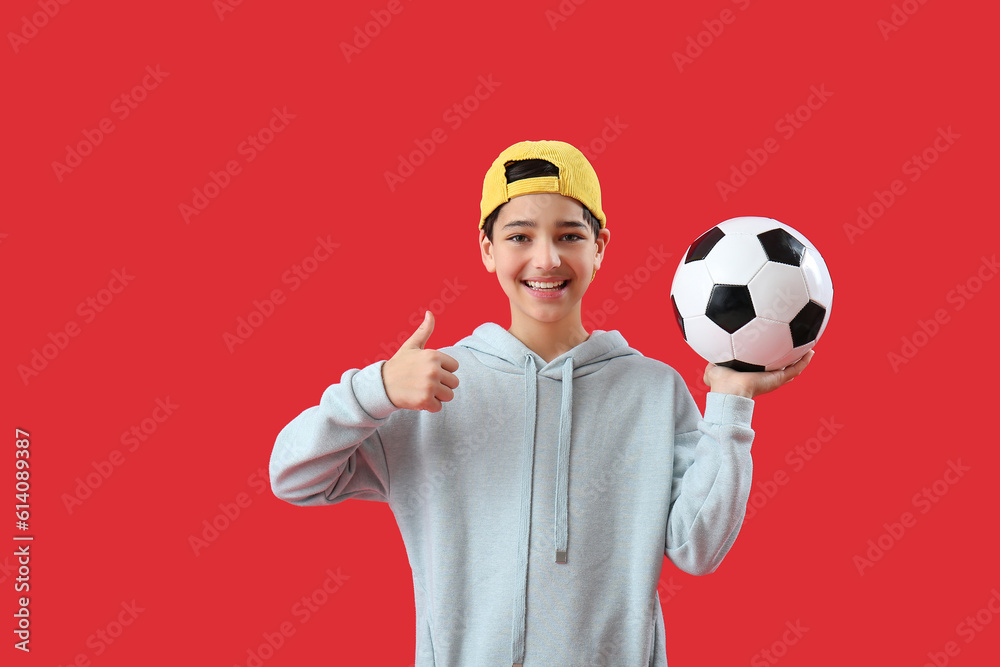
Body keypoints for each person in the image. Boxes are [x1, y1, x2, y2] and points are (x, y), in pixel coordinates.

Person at [269, 139, 812, 666]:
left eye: (570, 235)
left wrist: (731, 404)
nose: (546, 258)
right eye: (520, 236)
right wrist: (376, 390)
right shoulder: (429, 387)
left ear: (599, 247)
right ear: (487, 249)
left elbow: (698, 548)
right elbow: (292, 476)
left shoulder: (654, 390)